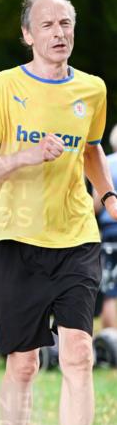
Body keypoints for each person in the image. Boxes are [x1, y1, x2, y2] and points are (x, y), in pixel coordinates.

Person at [0, 0, 117, 425]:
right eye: (49, 25)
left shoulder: (92, 90)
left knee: (79, 352)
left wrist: (107, 197)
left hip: (76, 238)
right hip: (16, 241)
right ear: (28, 34)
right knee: (24, 364)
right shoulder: (3, 89)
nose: (60, 33)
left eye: (67, 24)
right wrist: (27, 155)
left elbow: (93, 150)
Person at [93, 123, 117, 329]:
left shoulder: (104, 165)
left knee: (110, 291)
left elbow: (96, 206)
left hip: (110, 232)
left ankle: (111, 341)